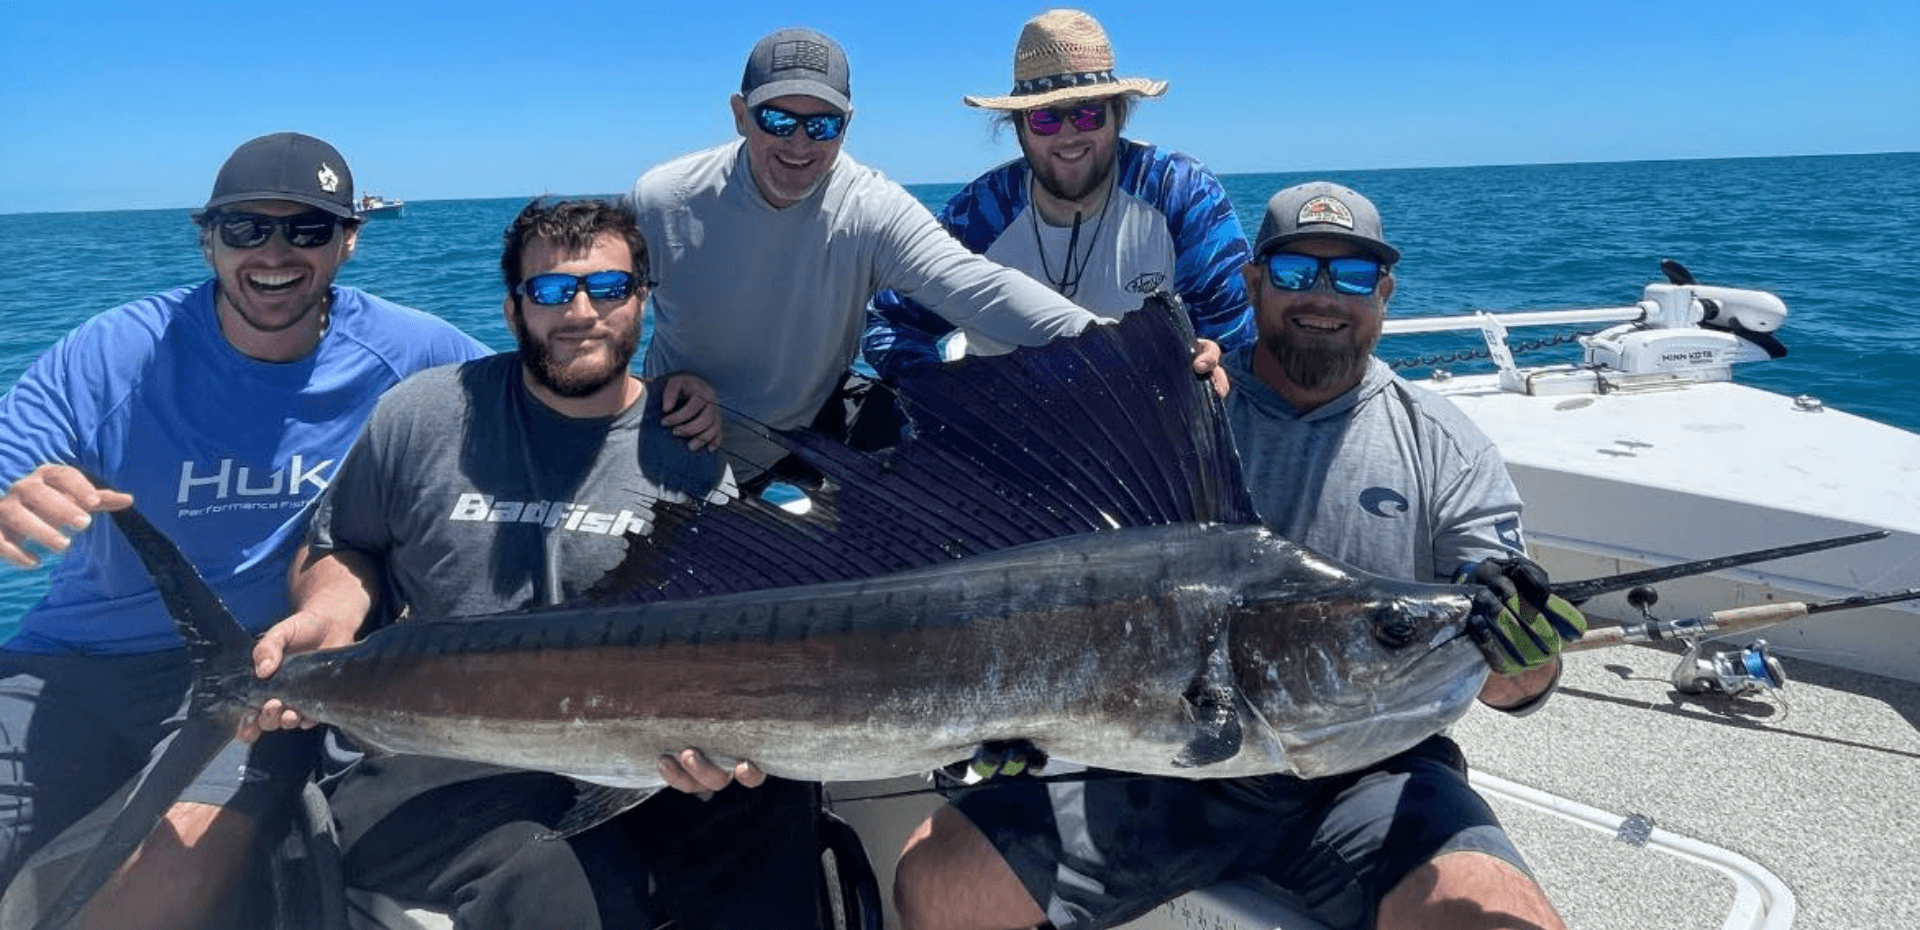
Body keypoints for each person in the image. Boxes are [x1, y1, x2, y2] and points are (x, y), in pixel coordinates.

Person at [891, 182, 1587, 930]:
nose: (1322, 297)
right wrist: (1013, 721)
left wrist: (1525, 654)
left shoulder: (1444, 447)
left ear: (1384, 292)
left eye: (1351, 276)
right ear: (1252, 282)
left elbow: (1512, 686)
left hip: (1370, 775)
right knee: (935, 879)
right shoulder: (1184, 409)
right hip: (1158, 764)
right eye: (1294, 274)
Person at [250, 197, 824, 930]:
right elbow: (341, 541)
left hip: (615, 753)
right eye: (551, 291)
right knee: (557, 878)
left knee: (773, 806)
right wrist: (328, 617)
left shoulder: (687, 454)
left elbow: (707, 648)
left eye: (608, 289)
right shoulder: (423, 415)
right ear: (513, 310)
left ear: (642, 301)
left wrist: (717, 755)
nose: (580, 311)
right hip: (428, 750)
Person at [0, 132, 488, 928]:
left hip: (266, 676)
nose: (275, 252)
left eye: (307, 230)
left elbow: (542, 400)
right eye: (246, 229)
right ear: (207, 238)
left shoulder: (414, 351)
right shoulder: (114, 353)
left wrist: (672, 403)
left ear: (348, 241)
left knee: (168, 879)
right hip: (72, 668)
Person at [629, 26, 1221, 491]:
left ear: (848, 124)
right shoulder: (661, 200)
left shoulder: (872, 207)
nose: (800, 144)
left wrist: (1130, 357)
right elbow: (587, 317)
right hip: (684, 439)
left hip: (809, 436)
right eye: (779, 119)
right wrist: (653, 393)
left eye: (824, 123)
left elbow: (979, 290)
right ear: (740, 115)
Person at [865, 8, 1253, 378]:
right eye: (1045, 118)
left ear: (1118, 113)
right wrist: (947, 396)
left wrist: (1215, 365)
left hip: (1148, 435)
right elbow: (889, 322)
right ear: (1018, 125)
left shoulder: (1179, 192)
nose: (1069, 135)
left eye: (1087, 113)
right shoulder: (981, 212)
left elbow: (1235, 339)